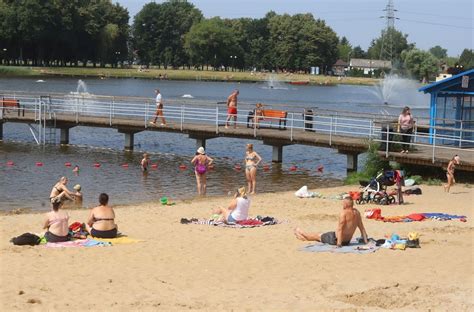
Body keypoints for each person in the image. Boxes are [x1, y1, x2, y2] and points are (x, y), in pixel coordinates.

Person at [294, 197, 368, 247]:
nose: (342, 205)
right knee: (319, 237)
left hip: (335, 239)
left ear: (345, 204)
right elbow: (362, 228)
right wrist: (366, 241)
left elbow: (340, 229)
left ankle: (301, 233)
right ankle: (302, 238)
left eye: (343, 203)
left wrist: (339, 244)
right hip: (347, 241)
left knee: (318, 235)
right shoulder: (357, 213)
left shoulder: (343, 213)